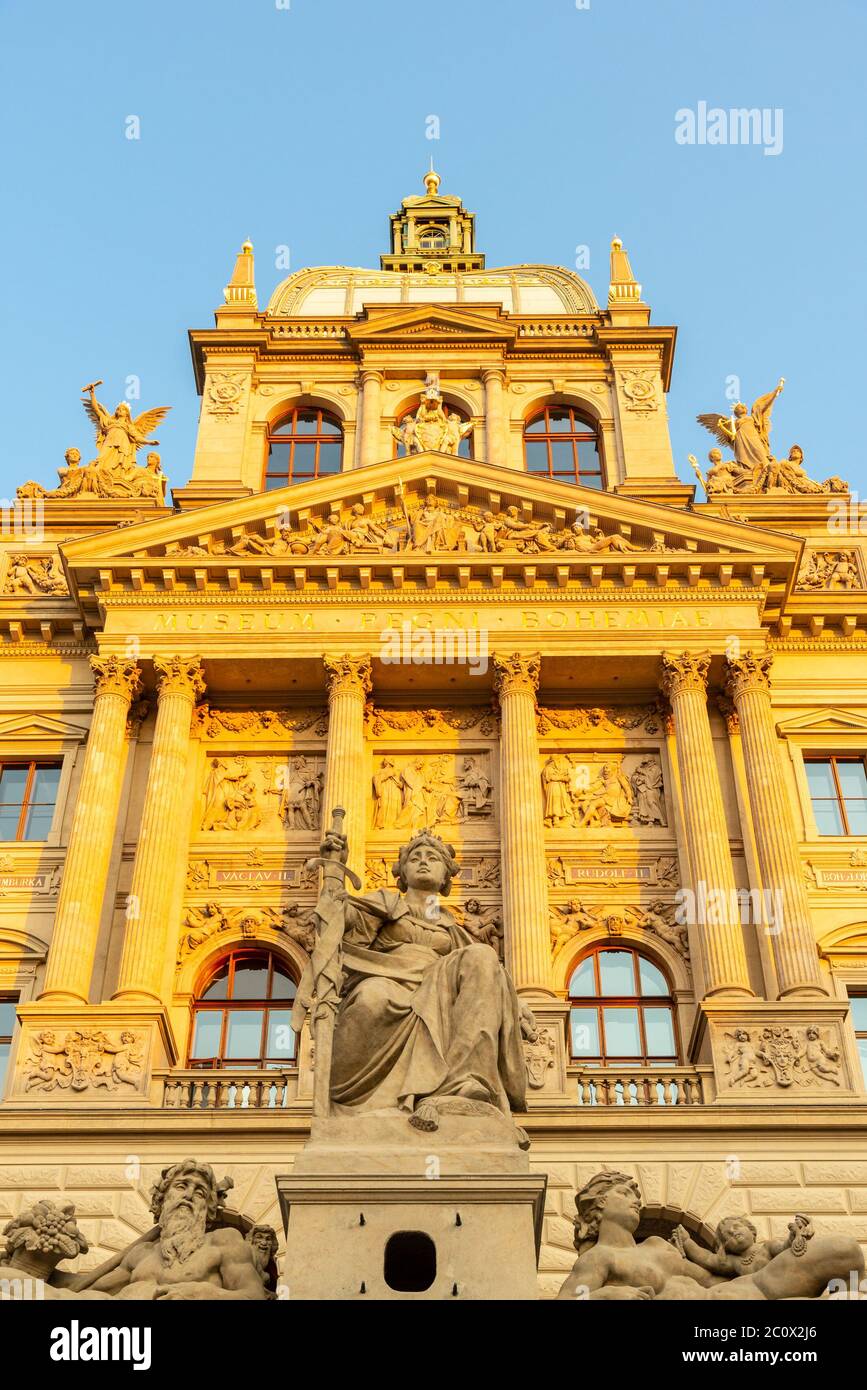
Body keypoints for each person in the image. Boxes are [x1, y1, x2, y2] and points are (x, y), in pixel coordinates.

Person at [310, 829, 531, 1136]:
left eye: (432, 858)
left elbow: (484, 982)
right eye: (415, 858)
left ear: (446, 878)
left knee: (482, 955)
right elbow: (335, 925)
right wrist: (333, 874)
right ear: (402, 873)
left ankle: (462, 1081)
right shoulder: (385, 903)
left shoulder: (455, 930)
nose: (423, 862)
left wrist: (516, 1004)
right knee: (374, 997)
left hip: (437, 991)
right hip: (388, 977)